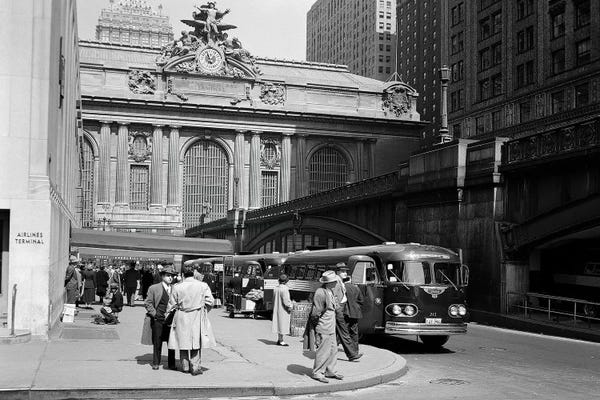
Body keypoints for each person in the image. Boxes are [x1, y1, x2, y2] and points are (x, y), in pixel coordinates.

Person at [167, 264, 215, 376]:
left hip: (182, 315)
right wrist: (204, 310)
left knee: (183, 341)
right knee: (196, 341)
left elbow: (171, 304)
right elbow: (210, 301)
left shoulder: (177, 287)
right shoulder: (203, 285)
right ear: (194, 272)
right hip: (197, 314)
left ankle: (185, 366)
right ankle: (195, 367)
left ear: (183, 274)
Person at [310, 270, 343, 384]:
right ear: (328, 282)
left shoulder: (329, 290)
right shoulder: (321, 292)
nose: (336, 283)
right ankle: (318, 372)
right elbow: (315, 313)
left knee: (333, 350)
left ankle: (330, 370)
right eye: (334, 281)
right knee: (323, 351)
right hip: (324, 326)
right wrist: (316, 327)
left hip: (330, 326)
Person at [144, 266, 177, 371]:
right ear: (162, 276)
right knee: (157, 341)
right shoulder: (154, 288)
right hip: (158, 319)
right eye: (168, 275)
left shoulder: (175, 288)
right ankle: (156, 363)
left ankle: (172, 364)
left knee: (171, 342)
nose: (170, 278)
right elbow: (148, 303)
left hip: (171, 320)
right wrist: (154, 314)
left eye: (172, 276)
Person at [332, 263, 361, 361]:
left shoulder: (340, 281)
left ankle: (351, 354)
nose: (345, 273)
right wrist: (338, 308)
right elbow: (335, 297)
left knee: (341, 333)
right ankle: (352, 354)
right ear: (337, 272)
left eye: (346, 271)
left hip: (341, 310)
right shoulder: (336, 281)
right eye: (343, 271)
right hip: (338, 310)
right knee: (343, 333)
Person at [343, 275, 364, 357]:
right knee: (354, 332)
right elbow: (361, 300)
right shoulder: (356, 288)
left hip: (345, 312)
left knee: (343, 332)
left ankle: (348, 350)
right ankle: (355, 350)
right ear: (350, 279)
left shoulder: (342, 287)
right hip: (355, 313)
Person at [272, 274, 293, 346]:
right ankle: (281, 341)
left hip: (277, 308)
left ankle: (279, 339)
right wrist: (290, 306)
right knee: (283, 324)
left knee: (279, 323)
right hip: (283, 309)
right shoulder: (285, 289)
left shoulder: (276, 288)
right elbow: (286, 300)